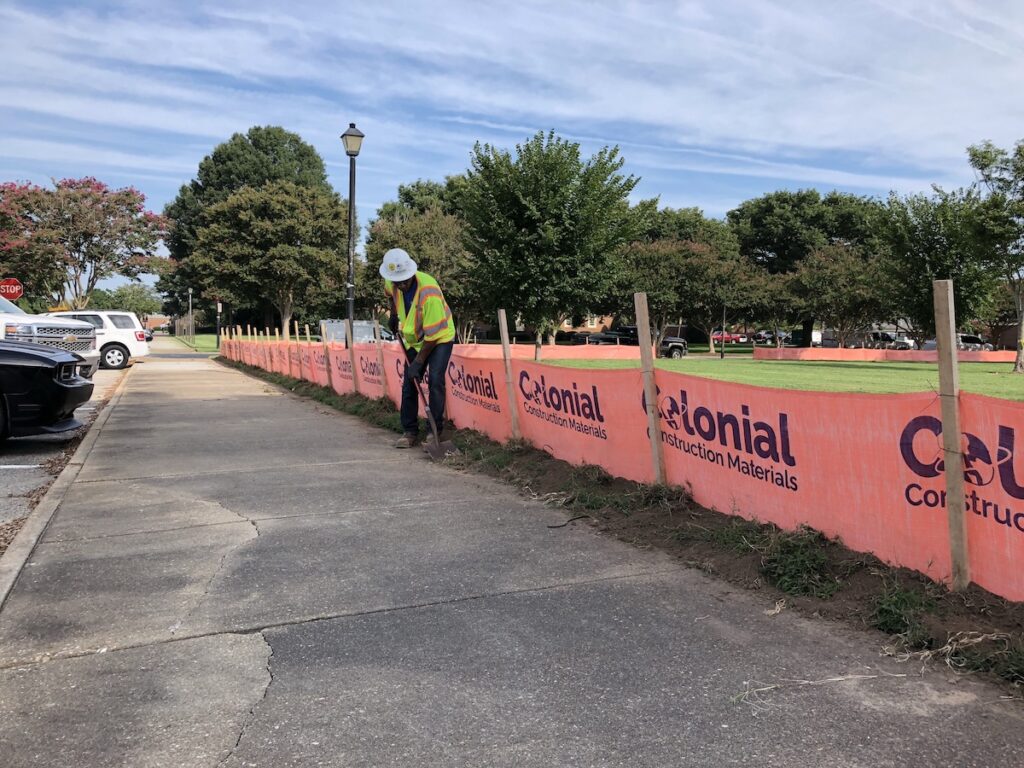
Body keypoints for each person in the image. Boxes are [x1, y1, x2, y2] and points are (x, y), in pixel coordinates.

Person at [379, 248, 456, 448]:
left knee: (436, 380)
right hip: (415, 339)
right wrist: (394, 314)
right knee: (410, 383)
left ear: (412, 273)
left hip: (439, 338)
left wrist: (419, 362)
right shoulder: (393, 281)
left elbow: (432, 337)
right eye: (398, 282)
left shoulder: (429, 290)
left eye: (405, 280)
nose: (402, 285)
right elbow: (390, 294)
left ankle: (434, 431)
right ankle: (410, 431)